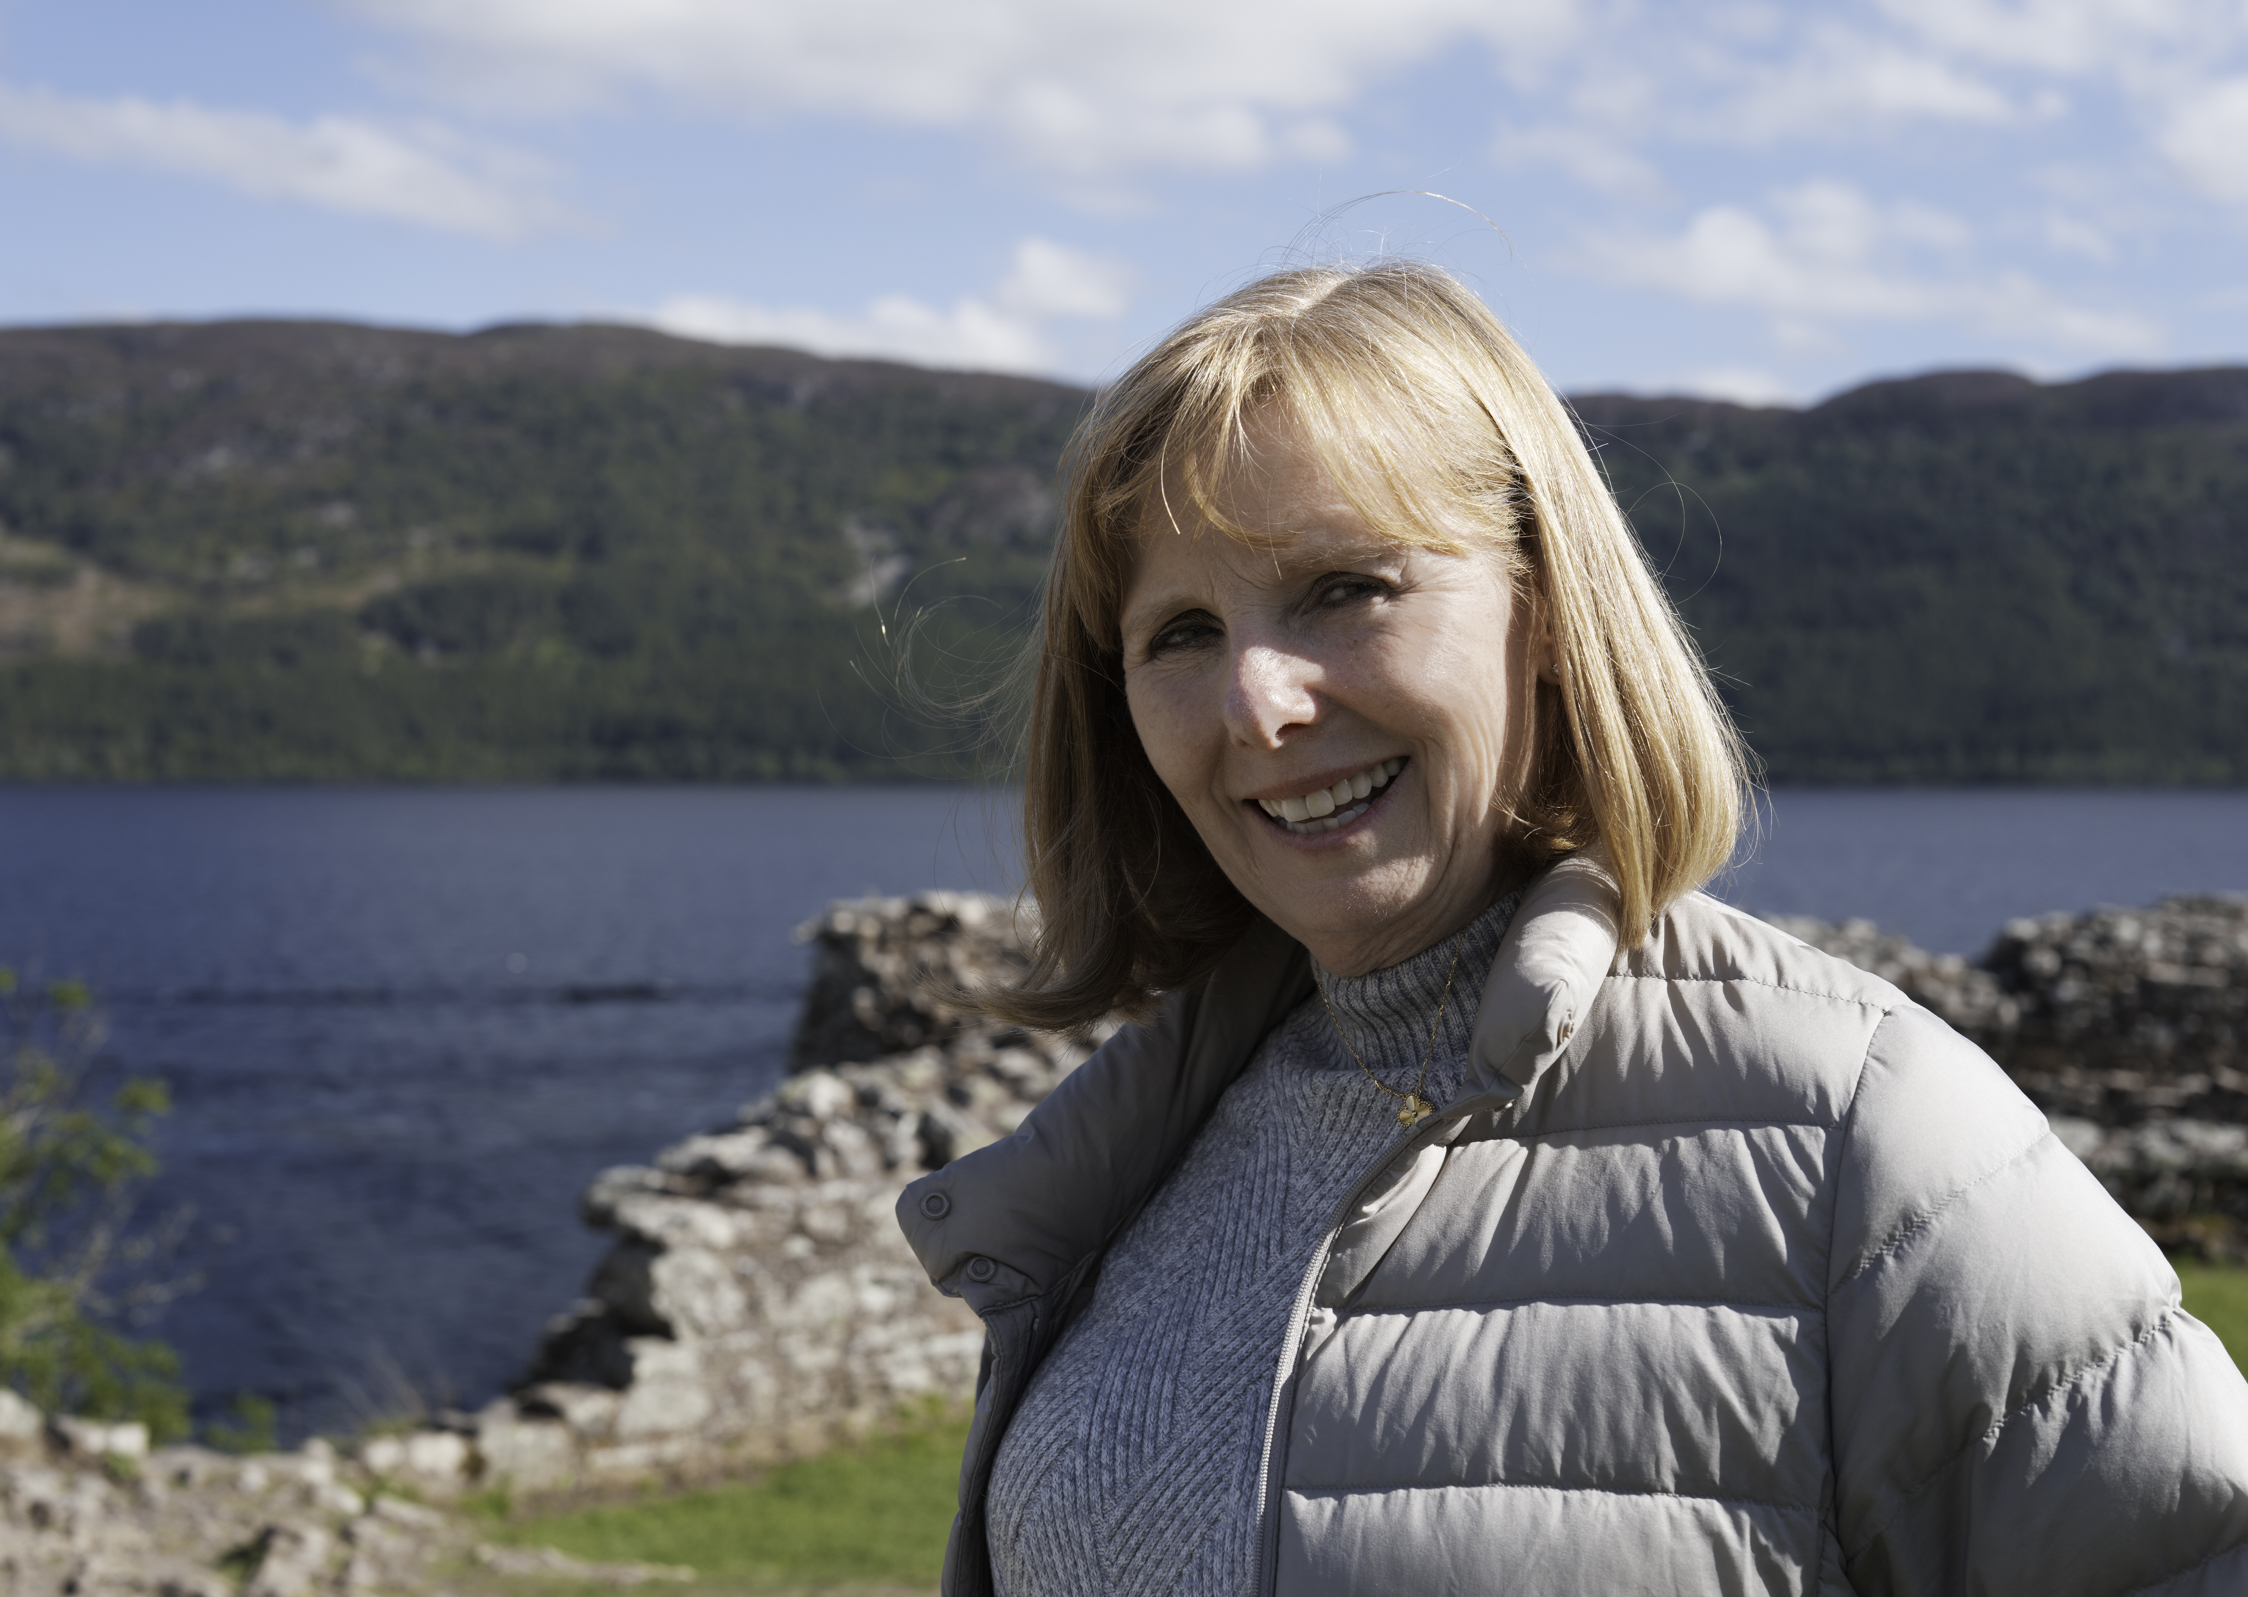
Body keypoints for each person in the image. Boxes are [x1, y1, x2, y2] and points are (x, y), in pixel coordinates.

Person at [895, 262, 2248, 1596]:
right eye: (1181, 630)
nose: (1257, 703)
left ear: (1544, 611)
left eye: (1344, 587)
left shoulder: (1861, 1136)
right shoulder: (1137, 1162)